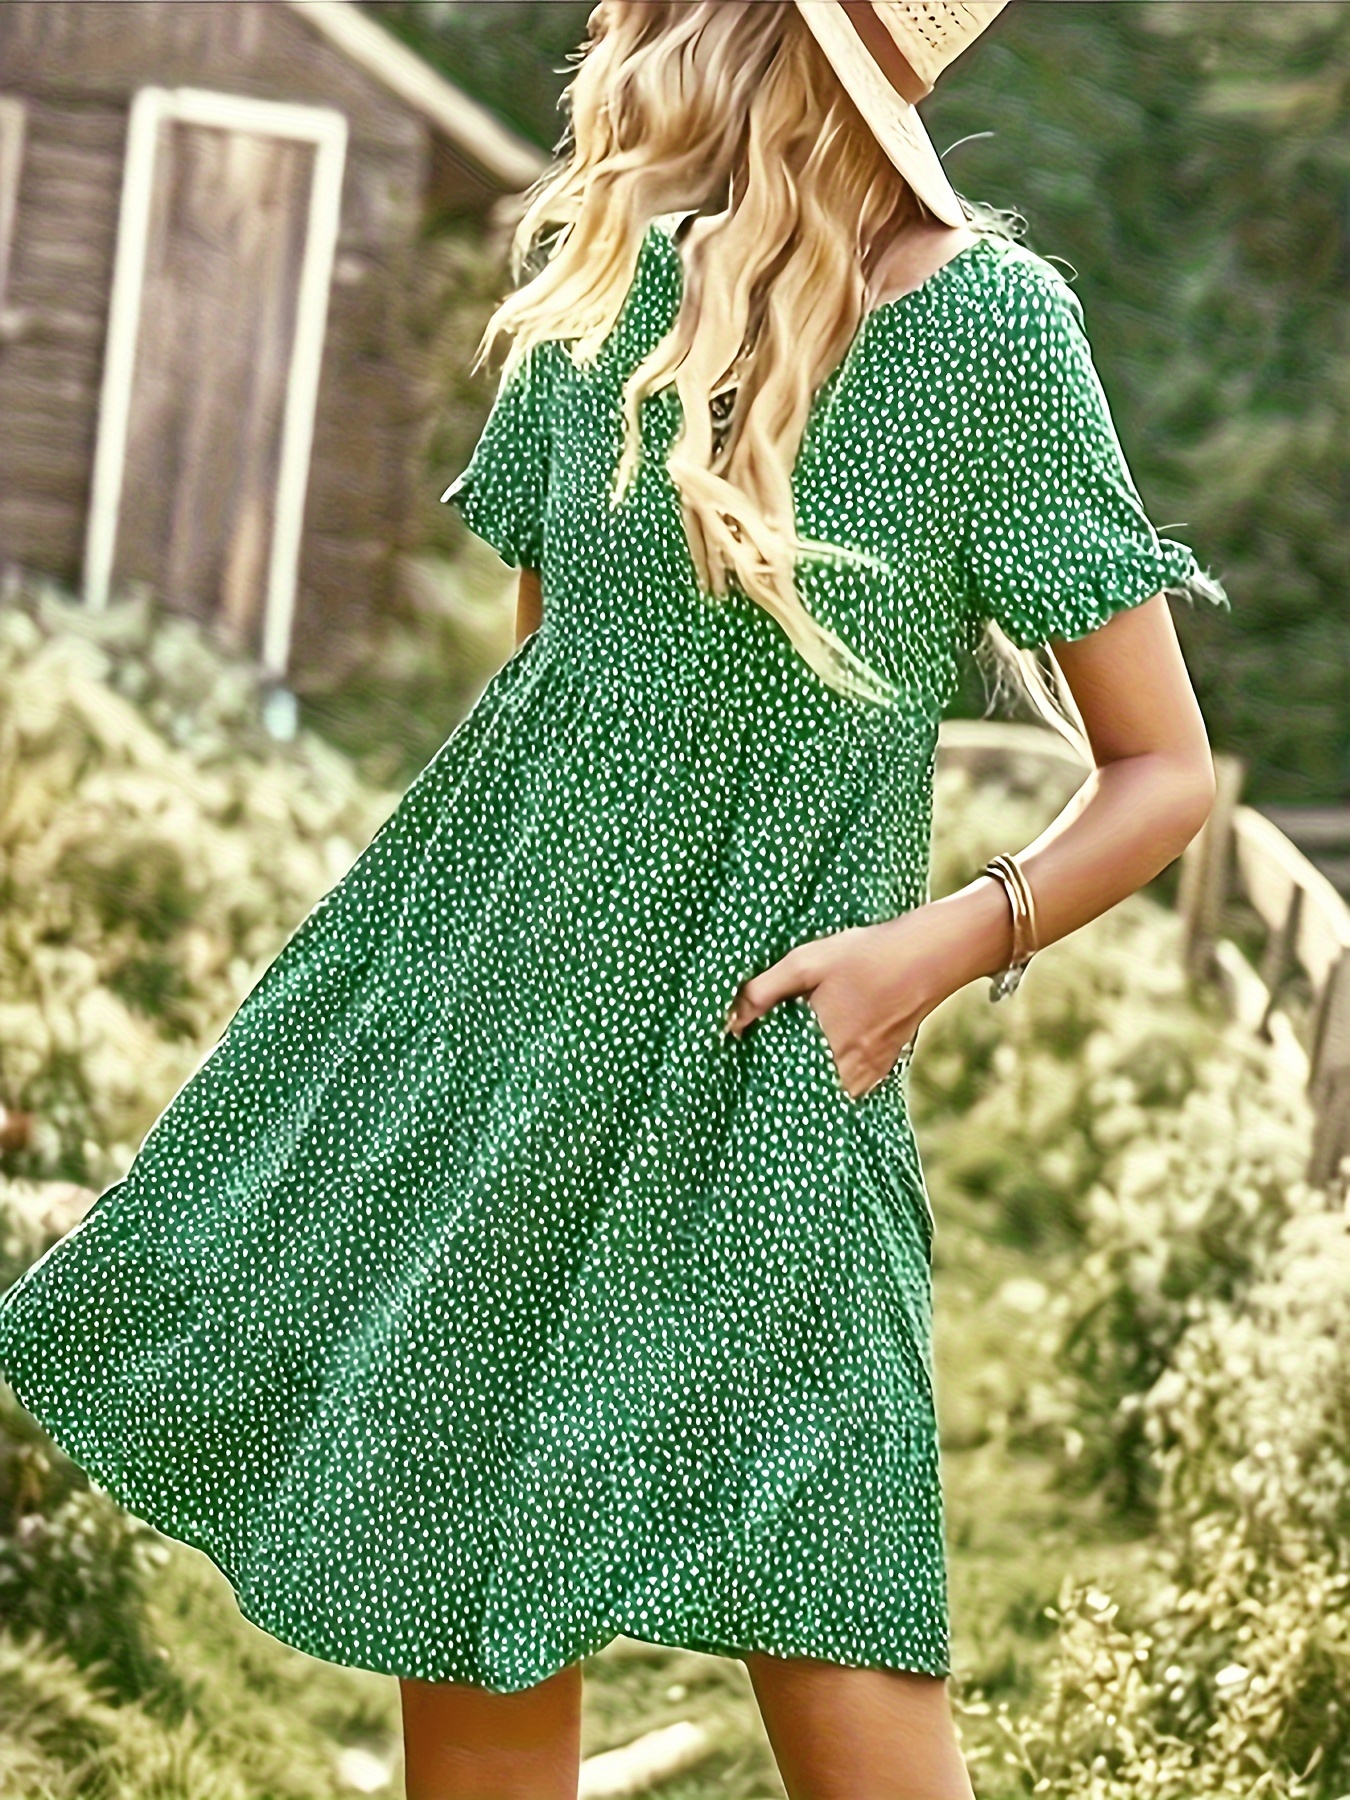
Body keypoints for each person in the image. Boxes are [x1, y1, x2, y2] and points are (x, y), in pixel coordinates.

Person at [0, 3, 1231, 1796]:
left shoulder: (990, 335)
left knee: (836, 1587)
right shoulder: (603, 294)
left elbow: (1163, 770)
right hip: (499, 1041)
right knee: (464, 1590)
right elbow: (543, 694)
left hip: (769, 1069)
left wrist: (926, 954)